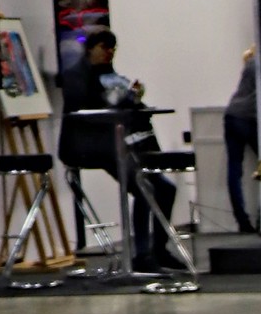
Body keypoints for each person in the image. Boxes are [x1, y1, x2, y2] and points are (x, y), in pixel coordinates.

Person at [58, 28, 177, 271]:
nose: (109, 52)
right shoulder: (75, 77)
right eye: (104, 47)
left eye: (112, 48)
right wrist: (125, 101)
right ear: (91, 48)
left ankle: (159, 250)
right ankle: (142, 255)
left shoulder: (110, 76)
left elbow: (121, 106)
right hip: (90, 146)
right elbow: (92, 109)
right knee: (145, 188)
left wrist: (134, 99)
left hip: (115, 144)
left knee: (165, 189)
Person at [222, 47, 259, 234]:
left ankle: (242, 220)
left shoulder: (250, 64)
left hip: (232, 114)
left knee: (234, 169)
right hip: (250, 117)